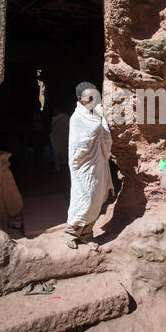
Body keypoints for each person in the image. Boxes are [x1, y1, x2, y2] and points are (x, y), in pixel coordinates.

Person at [65, 82, 114, 250]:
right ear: (80, 99)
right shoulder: (77, 118)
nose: (94, 100)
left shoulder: (96, 114)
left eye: (96, 96)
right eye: (90, 98)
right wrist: (98, 122)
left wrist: (101, 120)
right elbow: (80, 144)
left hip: (98, 162)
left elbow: (105, 135)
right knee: (83, 198)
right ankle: (71, 233)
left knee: (97, 198)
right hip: (83, 165)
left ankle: (86, 234)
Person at [50, 106, 69, 171]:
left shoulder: (65, 117)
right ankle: (57, 167)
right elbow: (52, 127)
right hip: (56, 137)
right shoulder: (54, 118)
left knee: (64, 151)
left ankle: (63, 164)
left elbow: (68, 126)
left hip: (64, 136)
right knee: (56, 152)